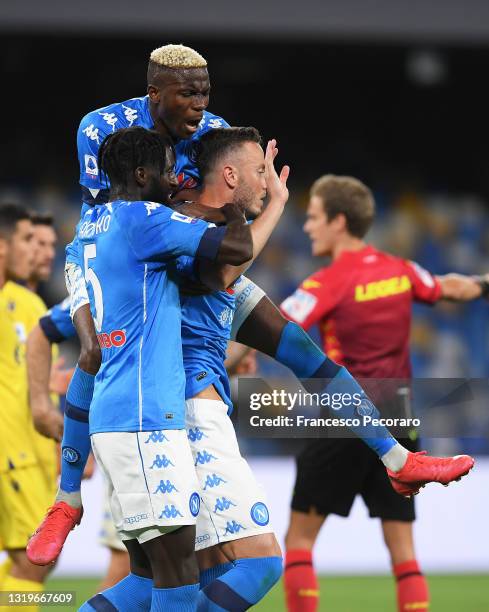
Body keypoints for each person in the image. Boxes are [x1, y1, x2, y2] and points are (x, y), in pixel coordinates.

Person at [279, 174, 486, 612]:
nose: (307, 227)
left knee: (298, 542)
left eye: (314, 217)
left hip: (346, 419)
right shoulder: (401, 270)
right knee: (404, 553)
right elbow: (452, 286)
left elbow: (277, 326)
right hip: (400, 416)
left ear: (338, 221)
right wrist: (485, 283)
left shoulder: (327, 282)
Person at [73, 126, 254, 610]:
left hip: (114, 412)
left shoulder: (89, 227)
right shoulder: (144, 219)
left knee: (149, 574)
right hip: (145, 417)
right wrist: (234, 209)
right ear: (140, 174)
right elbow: (237, 249)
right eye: (167, 169)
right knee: (178, 574)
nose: (175, 179)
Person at [0, 203, 56, 610]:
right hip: (12, 451)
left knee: (33, 563)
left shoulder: (31, 305)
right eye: (28, 240)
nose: (39, 251)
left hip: (32, 450)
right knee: (32, 561)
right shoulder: (10, 301)